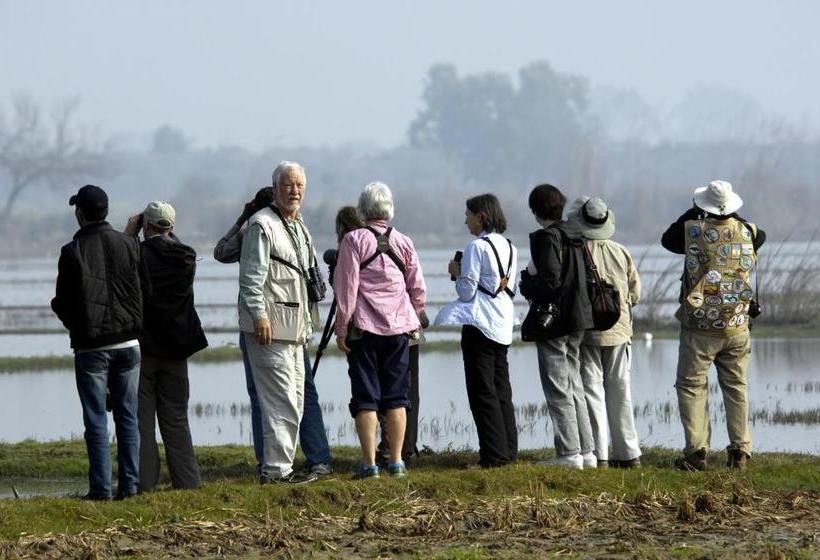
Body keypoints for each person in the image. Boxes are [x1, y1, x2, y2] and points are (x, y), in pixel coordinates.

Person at [215, 187, 333, 477]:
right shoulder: (293, 229)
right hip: (293, 323)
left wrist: (243, 215)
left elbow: (221, 251)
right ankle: (316, 456)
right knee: (302, 392)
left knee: (263, 395)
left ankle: (269, 462)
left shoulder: (255, 229)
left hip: (265, 326)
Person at [661, 180, 766, 471]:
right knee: (736, 387)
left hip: (699, 326)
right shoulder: (749, 232)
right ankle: (740, 451)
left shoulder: (692, 231)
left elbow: (666, 239)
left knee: (692, 385)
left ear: (703, 205)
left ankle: (696, 452)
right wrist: (730, 213)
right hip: (737, 323)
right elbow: (758, 234)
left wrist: (694, 210)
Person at [51, 185, 144, 500]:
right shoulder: (130, 245)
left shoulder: (71, 252)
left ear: (80, 213)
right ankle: (130, 488)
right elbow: (142, 291)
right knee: (128, 416)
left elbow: (62, 302)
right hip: (130, 344)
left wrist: (77, 327)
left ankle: (101, 491)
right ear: (106, 211)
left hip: (91, 347)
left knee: (95, 419)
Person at [334, 182, 427, 478]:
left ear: (362, 210)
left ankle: (369, 463)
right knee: (397, 397)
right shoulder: (404, 241)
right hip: (399, 330)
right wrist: (415, 316)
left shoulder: (353, 240)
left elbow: (346, 289)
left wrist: (341, 328)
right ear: (389, 210)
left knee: (365, 397)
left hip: (364, 330)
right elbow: (418, 288)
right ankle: (397, 461)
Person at [238, 161, 323, 484]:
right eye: (288, 185)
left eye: (299, 185)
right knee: (278, 401)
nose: (294, 191)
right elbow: (251, 278)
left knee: (296, 399)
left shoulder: (298, 225)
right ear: (274, 189)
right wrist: (259, 316)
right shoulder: (262, 225)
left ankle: (282, 467)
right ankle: (275, 472)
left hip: (296, 329)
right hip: (270, 329)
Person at [124, 201, 207, 492]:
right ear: (171, 228)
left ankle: (143, 485)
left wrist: (129, 234)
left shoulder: (137, 254)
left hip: (144, 348)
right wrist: (165, 232)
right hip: (176, 350)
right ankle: (187, 482)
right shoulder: (186, 257)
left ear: (146, 226)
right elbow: (173, 246)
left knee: (142, 423)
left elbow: (120, 266)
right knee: (176, 419)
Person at [436, 194, 518, 468]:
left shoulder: (475, 247)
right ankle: (507, 451)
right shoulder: (510, 246)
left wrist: (456, 271)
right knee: (501, 389)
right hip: (503, 323)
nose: (465, 220)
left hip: (480, 325)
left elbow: (467, 291)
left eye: (468, 214)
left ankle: (493, 457)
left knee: (482, 392)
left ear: (480, 216)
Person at [519, 184, 596, 469]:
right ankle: (587, 452)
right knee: (575, 383)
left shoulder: (548, 237)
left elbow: (550, 282)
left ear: (537, 211)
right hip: (579, 318)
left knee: (557, 387)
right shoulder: (576, 234)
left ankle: (568, 453)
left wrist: (528, 285)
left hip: (555, 321)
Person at [566, 196, 642, 468]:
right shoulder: (621, 251)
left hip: (587, 332)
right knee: (621, 390)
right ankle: (629, 453)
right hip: (620, 331)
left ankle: (600, 454)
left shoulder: (575, 251)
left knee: (592, 392)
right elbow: (635, 292)